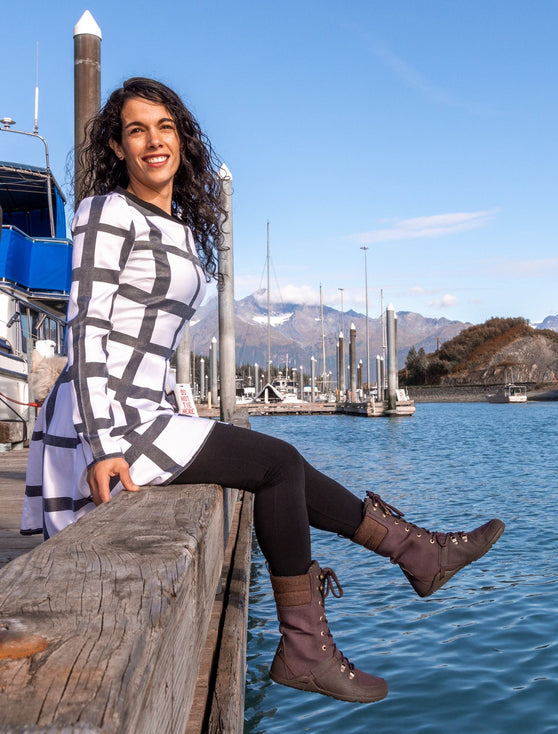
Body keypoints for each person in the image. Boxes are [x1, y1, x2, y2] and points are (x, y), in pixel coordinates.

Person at [21, 78, 505, 705]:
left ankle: (417, 556)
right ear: (116, 146)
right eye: (136, 130)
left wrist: (179, 401)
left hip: (152, 412)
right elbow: (87, 327)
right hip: (112, 420)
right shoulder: (105, 213)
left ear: (182, 139)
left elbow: (155, 337)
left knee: (286, 465)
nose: (153, 141)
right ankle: (312, 641)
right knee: (276, 464)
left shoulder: (182, 230)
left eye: (164, 126)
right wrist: (104, 442)